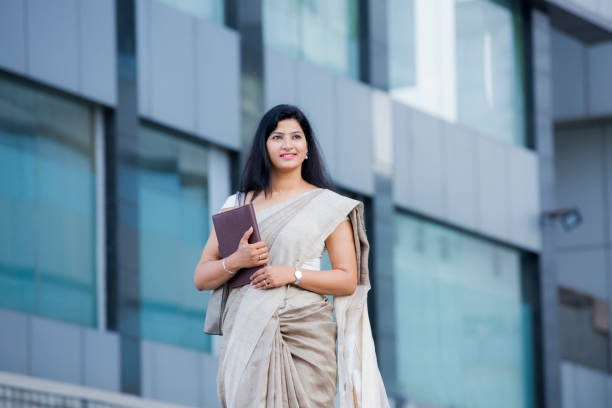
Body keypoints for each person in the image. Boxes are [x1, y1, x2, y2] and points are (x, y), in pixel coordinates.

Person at [193, 104, 389, 407]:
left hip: (306, 336)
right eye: (277, 137)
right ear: (264, 146)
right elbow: (202, 277)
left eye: (296, 137)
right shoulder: (238, 204)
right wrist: (237, 261)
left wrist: (292, 274)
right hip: (246, 332)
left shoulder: (329, 206)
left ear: (307, 146)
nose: (288, 145)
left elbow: (347, 279)